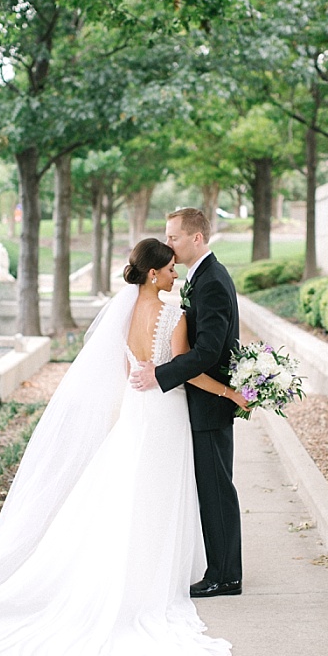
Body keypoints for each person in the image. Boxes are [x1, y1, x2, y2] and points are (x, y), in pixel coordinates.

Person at [0, 238, 248, 656]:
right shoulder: (172, 315)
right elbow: (189, 371)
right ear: (154, 274)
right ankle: (153, 577)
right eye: (171, 270)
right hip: (165, 412)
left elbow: (130, 374)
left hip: (139, 411)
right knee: (159, 494)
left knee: (130, 493)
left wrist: (146, 376)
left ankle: (134, 570)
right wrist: (233, 393)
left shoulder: (123, 317)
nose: (176, 276)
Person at [130, 208, 244, 598]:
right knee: (210, 490)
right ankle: (219, 569)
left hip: (208, 407)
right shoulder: (200, 279)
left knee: (216, 491)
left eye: (174, 237)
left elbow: (209, 351)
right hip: (195, 402)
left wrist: (160, 376)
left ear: (197, 238)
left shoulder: (211, 281)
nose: (169, 245)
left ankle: (226, 576)